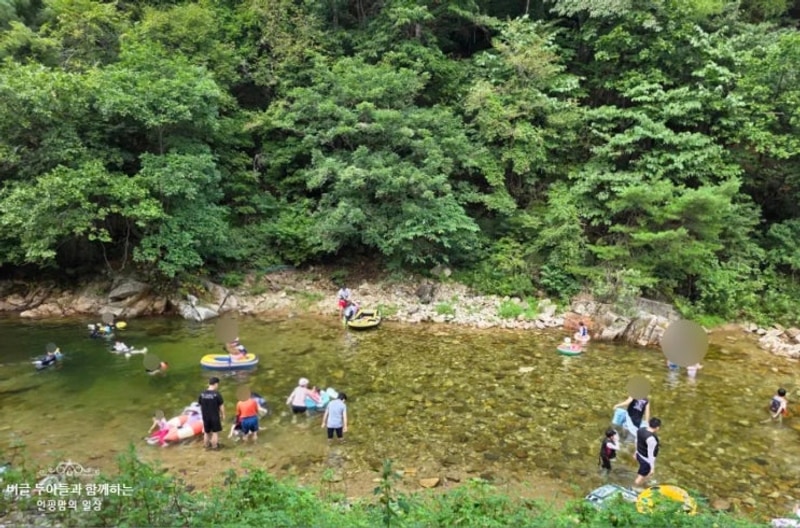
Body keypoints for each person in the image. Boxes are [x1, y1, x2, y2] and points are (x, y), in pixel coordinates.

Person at [634, 417, 662, 488]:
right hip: (646, 460)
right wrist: (652, 467)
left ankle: (643, 484)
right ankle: (634, 488)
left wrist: (636, 452)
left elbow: (637, 441)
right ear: (657, 428)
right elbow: (650, 453)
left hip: (639, 454)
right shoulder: (651, 439)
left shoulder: (640, 430)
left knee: (644, 473)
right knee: (641, 476)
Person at [199, 377, 225, 449]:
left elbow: (201, 405)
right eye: (217, 384)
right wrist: (223, 414)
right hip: (214, 416)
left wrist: (203, 414)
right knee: (215, 432)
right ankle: (214, 447)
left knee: (206, 432)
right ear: (215, 384)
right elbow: (221, 406)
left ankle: (206, 446)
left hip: (205, 416)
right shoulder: (216, 394)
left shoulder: (202, 394)